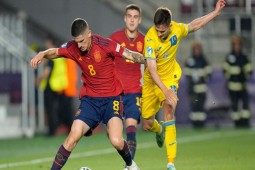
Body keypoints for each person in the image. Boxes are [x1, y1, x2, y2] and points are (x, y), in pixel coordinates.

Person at [30, 18, 145, 170]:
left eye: (82, 41)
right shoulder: (73, 47)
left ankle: (131, 164)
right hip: (90, 101)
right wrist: (42, 54)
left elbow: (130, 54)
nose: (80, 45)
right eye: (76, 41)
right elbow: (55, 52)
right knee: (73, 137)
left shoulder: (105, 44)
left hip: (112, 99)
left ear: (89, 34)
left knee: (116, 140)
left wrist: (149, 60)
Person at [141, 1, 226, 169]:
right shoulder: (150, 38)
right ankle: (159, 131)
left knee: (169, 109)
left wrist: (215, 13)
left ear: (170, 25)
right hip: (152, 82)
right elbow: (151, 69)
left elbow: (194, 25)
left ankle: (170, 162)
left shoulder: (177, 29)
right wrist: (164, 90)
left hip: (170, 78)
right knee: (147, 124)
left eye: (162, 31)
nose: (159, 34)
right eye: (157, 30)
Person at [109, 4, 144, 162]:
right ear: (125, 18)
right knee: (113, 135)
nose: (132, 20)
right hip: (116, 92)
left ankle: (129, 165)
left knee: (131, 128)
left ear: (139, 20)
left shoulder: (144, 41)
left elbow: (150, 65)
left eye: (135, 17)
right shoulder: (115, 38)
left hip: (135, 91)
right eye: (129, 16)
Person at [223, 35, 252, 128]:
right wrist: (233, 74)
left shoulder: (244, 57)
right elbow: (225, 70)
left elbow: (249, 69)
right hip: (232, 86)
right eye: (235, 44)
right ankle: (237, 123)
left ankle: (245, 122)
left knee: (245, 105)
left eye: (238, 44)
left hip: (242, 85)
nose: (237, 46)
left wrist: (244, 75)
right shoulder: (229, 56)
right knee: (234, 106)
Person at [184, 41, 212, 128]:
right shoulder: (189, 60)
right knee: (194, 106)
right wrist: (192, 78)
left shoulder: (204, 60)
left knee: (201, 106)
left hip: (202, 88)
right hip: (193, 88)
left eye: (198, 49)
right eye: (195, 49)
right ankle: (195, 123)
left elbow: (208, 72)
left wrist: (202, 76)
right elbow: (186, 72)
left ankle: (201, 123)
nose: (197, 51)